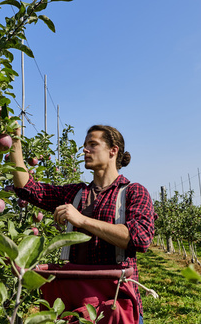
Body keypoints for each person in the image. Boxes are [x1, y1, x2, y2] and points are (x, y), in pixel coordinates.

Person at [10, 124, 156, 323]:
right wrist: (14, 142)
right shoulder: (76, 194)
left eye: (93, 144)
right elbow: (28, 188)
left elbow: (139, 238)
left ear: (113, 150)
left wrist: (82, 219)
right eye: (85, 145)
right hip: (77, 303)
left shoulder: (133, 192)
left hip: (116, 303)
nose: (85, 150)